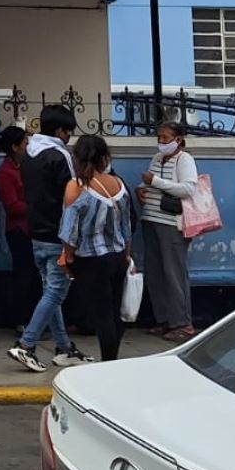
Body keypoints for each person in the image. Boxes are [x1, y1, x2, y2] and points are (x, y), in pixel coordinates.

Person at [8, 104, 93, 373]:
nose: (69, 137)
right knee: (56, 291)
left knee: (51, 292)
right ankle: (27, 343)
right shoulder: (60, 156)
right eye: (68, 131)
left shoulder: (29, 154)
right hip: (58, 232)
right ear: (60, 130)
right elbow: (72, 196)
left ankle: (64, 347)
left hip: (36, 231)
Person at [60, 134, 134, 363]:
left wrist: (67, 257)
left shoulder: (76, 187)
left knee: (101, 314)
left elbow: (69, 230)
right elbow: (126, 226)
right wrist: (127, 254)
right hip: (117, 254)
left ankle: (108, 361)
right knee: (114, 312)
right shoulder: (119, 184)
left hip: (91, 259)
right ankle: (112, 354)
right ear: (105, 157)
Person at [136, 120, 198, 342]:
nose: (161, 142)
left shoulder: (185, 160)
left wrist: (156, 181)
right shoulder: (157, 158)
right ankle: (163, 319)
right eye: (159, 138)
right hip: (151, 218)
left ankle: (182, 322)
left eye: (165, 138)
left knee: (173, 273)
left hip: (171, 222)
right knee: (155, 272)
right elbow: (151, 184)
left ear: (178, 140)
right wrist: (142, 190)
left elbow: (188, 188)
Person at [0, 125, 38, 331]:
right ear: (15, 147)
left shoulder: (24, 167)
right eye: (25, 143)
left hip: (31, 227)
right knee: (24, 274)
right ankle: (22, 319)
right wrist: (36, 206)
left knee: (32, 274)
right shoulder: (5, 173)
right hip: (19, 229)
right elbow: (12, 206)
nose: (28, 146)